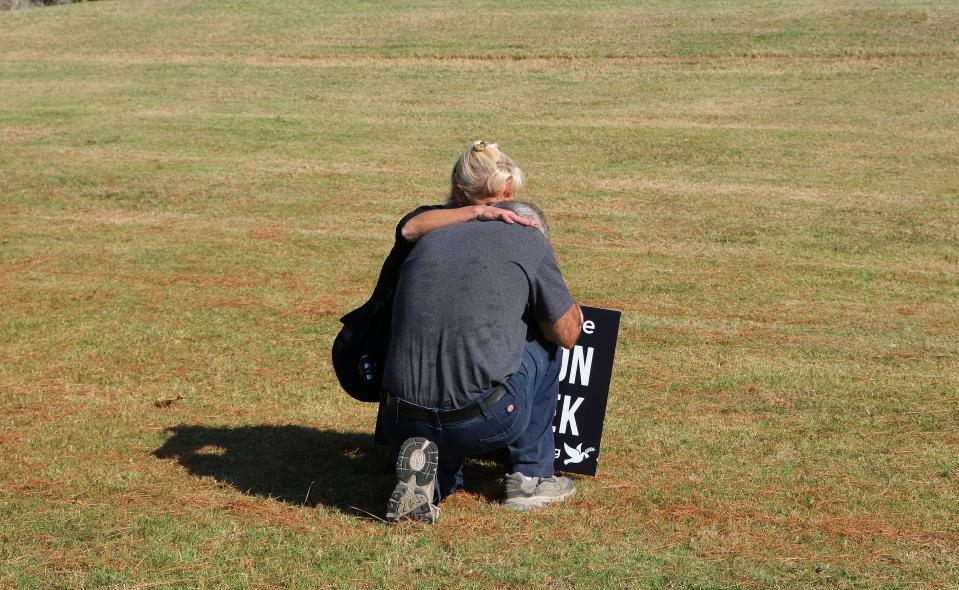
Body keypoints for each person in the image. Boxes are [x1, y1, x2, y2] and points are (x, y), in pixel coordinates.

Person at [381, 201, 583, 523]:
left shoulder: (433, 237)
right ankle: (531, 478)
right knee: (546, 340)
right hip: (481, 418)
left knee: (450, 360)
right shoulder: (530, 239)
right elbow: (567, 333)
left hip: (402, 417)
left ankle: (431, 482)